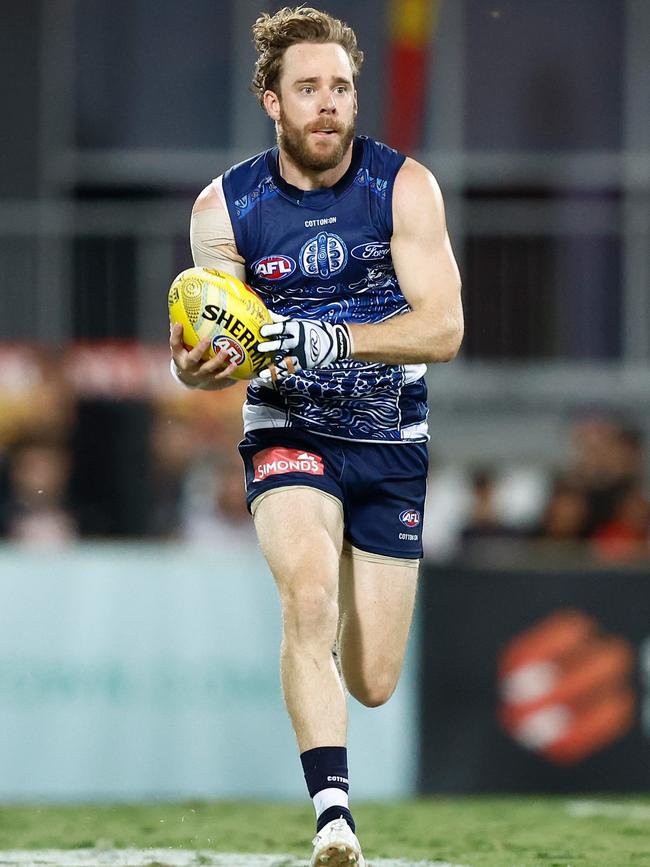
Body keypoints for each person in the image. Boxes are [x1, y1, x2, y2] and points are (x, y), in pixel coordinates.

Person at [169, 7, 463, 866]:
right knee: (305, 599)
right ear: (272, 100)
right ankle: (334, 815)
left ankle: (329, 605)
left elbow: (442, 328)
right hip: (289, 429)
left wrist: (327, 336)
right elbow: (206, 357)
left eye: (340, 87)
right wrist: (199, 363)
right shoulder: (225, 208)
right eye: (308, 89)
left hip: (391, 440)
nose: (329, 104)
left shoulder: (405, 187)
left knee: (373, 680)